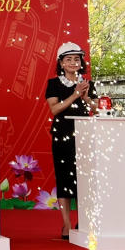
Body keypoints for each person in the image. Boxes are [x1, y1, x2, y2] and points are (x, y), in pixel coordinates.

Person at [45, 42, 97, 239]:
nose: (73, 63)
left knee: (83, 178)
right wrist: (75, 94)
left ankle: (83, 220)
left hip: (84, 135)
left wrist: (86, 98)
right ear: (61, 63)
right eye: (69, 59)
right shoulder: (54, 84)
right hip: (62, 134)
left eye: (77, 59)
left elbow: (97, 110)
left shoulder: (88, 83)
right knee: (64, 177)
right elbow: (55, 109)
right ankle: (66, 224)